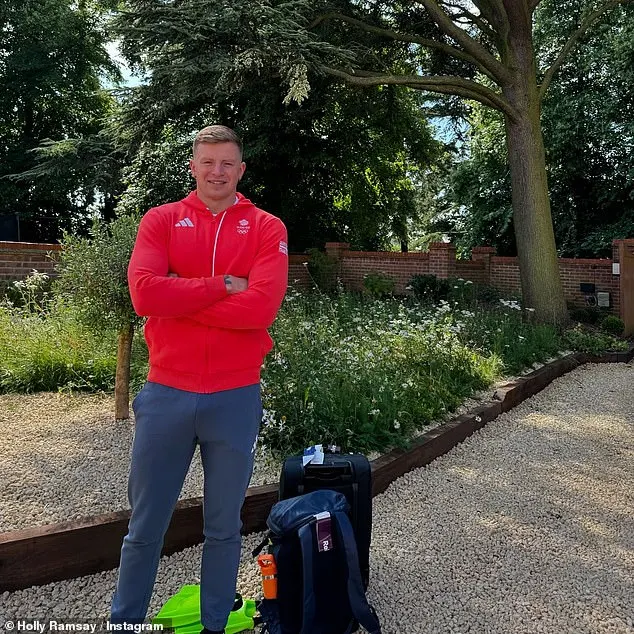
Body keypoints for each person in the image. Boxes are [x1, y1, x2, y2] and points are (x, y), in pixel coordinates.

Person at [111, 125, 289, 634]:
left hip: (235, 396)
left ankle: (215, 625)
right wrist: (221, 287)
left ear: (240, 170)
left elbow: (261, 309)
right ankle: (125, 623)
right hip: (166, 392)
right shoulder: (161, 220)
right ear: (193, 166)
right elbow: (145, 295)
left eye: (226, 163)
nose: (216, 172)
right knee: (145, 526)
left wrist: (183, 301)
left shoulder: (266, 227)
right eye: (207, 162)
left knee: (223, 528)